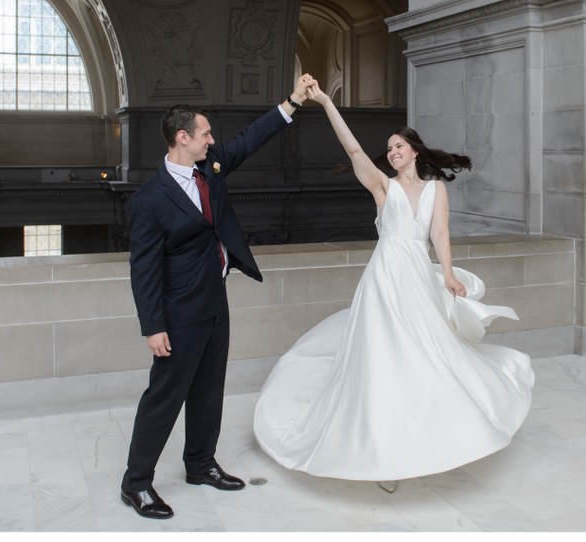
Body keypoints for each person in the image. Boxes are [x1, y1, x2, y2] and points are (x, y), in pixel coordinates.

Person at [253, 84, 535, 491]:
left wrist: (450, 274)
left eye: (398, 145)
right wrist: (328, 103)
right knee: (382, 356)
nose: (392, 151)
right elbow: (352, 150)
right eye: (388, 148)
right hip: (384, 278)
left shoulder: (436, 188)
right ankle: (379, 448)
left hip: (418, 276)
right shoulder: (383, 187)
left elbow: (440, 232)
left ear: (415, 151)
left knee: (425, 353)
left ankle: (427, 434)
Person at [120, 74, 318, 519]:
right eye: (205, 134)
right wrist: (153, 325)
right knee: (164, 397)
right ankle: (136, 484)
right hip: (178, 312)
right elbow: (144, 270)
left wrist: (292, 102)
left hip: (215, 300)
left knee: (209, 390)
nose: (213, 140)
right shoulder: (149, 201)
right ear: (182, 138)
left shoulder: (211, 166)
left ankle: (201, 464)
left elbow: (250, 140)